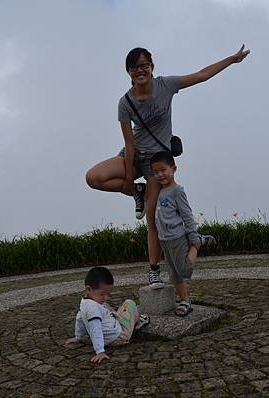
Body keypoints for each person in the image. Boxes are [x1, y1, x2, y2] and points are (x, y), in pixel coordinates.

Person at [85, 45, 250, 289]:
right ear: (129, 72)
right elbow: (129, 143)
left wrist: (232, 60)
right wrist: (130, 181)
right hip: (134, 155)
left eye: (144, 65)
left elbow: (201, 75)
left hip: (156, 162)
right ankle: (137, 192)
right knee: (94, 177)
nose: (140, 70)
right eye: (134, 67)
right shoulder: (125, 102)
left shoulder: (166, 85)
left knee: (152, 218)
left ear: (152, 67)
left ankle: (153, 270)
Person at [150, 151, 216, 316]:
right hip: (164, 239)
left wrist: (193, 237)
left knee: (185, 271)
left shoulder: (177, 191)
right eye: (155, 172)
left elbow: (187, 215)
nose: (160, 174)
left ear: (174, 168)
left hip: (177, 237)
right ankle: (185, 301)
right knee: (174, 275)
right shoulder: (160, 190)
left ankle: (198, 242)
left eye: (163, 170)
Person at [63, 266, 149, 363]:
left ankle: (122, 318)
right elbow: (96, 328)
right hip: (120, 336)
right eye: (102, 294)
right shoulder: (93, 308)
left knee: (105, 305)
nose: (106, 297)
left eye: (108, 294)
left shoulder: (84, 302)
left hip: (109, 334)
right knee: (130, 304)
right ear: (88, 289)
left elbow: (79, 318)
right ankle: (136, 323)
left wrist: (78, 336)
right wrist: (100, 351)